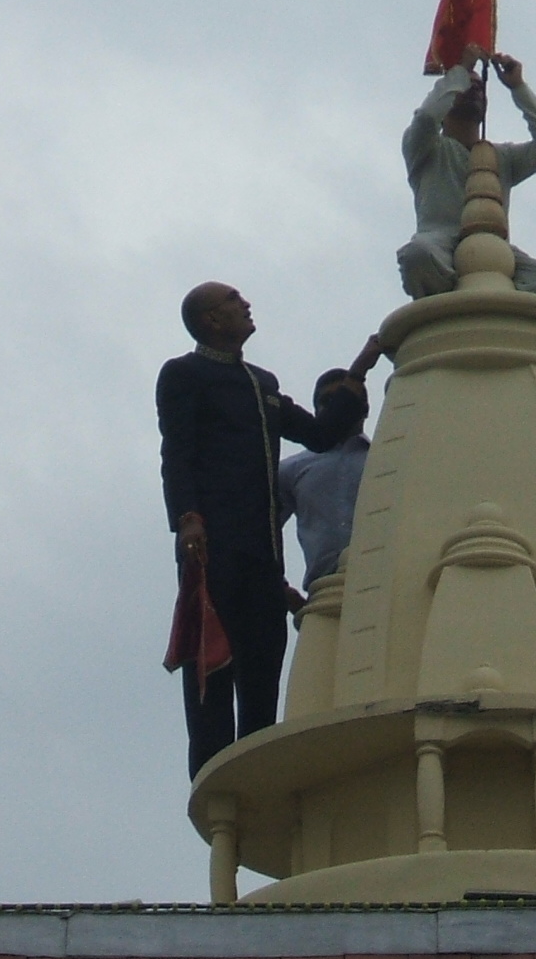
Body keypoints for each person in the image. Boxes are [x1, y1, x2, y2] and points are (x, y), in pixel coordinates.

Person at [159, 284, 378, 778]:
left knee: (263, 662)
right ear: (213, 320)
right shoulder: (185, 374)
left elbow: (321, 435)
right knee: (212, 663)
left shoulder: (261, 383)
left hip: (261, 553)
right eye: (234, 301)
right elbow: (177, 450)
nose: (246, 304)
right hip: (212, 546)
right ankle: (214, 777)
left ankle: (253, 773)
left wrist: (361, 367)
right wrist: (187, 517)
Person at [398, 46, 536, 301]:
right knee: (417, 255)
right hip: (440, 248)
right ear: (448, 98)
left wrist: (518, 87)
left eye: (479, 89)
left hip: (493, 254)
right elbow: (426, 118)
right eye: (466, 87)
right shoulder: (428, 149)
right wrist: (461, 71)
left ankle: (492, 310)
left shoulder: (501, 158)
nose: (474, 93)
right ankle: (450, 303)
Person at [277, 366, 375, 589]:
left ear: (365, 407)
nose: (339, 406)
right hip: (324, 590)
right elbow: (259, 533)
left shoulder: (387, 459)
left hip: (381, 583)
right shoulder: (291, 471)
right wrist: (280, 589)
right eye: (328, 400)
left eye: (348, 398)